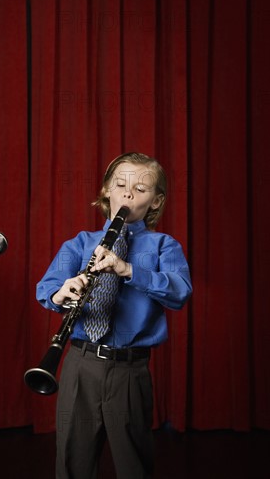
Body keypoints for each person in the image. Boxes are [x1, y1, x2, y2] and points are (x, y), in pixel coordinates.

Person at [36, 152, 192, 479]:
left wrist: (128, 269)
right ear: (107, 190)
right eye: (120, 184)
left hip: (129, 370)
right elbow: (47, 287)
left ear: (155, 201)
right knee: (72, 462)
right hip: (80, 363)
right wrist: (62, 292)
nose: (128, 193)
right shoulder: (80, 243)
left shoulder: (165, 246)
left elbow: (180, 291)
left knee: (133, 464)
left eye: (141, 188)